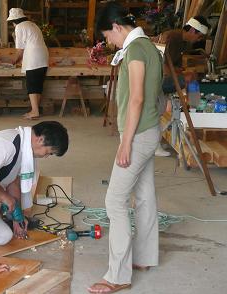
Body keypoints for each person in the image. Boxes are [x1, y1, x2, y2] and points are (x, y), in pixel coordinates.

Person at [88, 2, 163, 293]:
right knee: (144, 194)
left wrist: (126, 142)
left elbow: (137, 99)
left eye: (108, 36)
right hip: (148, 131)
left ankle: (117, 276)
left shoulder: (135, 50)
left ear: (118, 27)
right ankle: (144, 257)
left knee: (115, 201)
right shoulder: (150, 47)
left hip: (139, 135)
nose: (109, 42)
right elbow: (156, 97)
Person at [154, 15, 210, 157]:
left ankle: (194, 108)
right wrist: (183, 76)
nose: (199, 40)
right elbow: (165, 66)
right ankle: (195, 111)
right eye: (199, 37)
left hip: (162, 75)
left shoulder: (183, 40)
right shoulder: (174, 38)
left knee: (192, 75)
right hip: (157, 79)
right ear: (192, 30)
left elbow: (174, 65)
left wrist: (182, 72)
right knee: (191, 77)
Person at [7, 8, 49, 120]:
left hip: (33, 58)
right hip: (43, 57)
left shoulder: (19, 27)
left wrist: (13, 61)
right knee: (38, 84)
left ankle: (35, 111)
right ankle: (35, 110)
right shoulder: (32, 25)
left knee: (32, 85)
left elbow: (20, 50)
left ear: (14, 20)